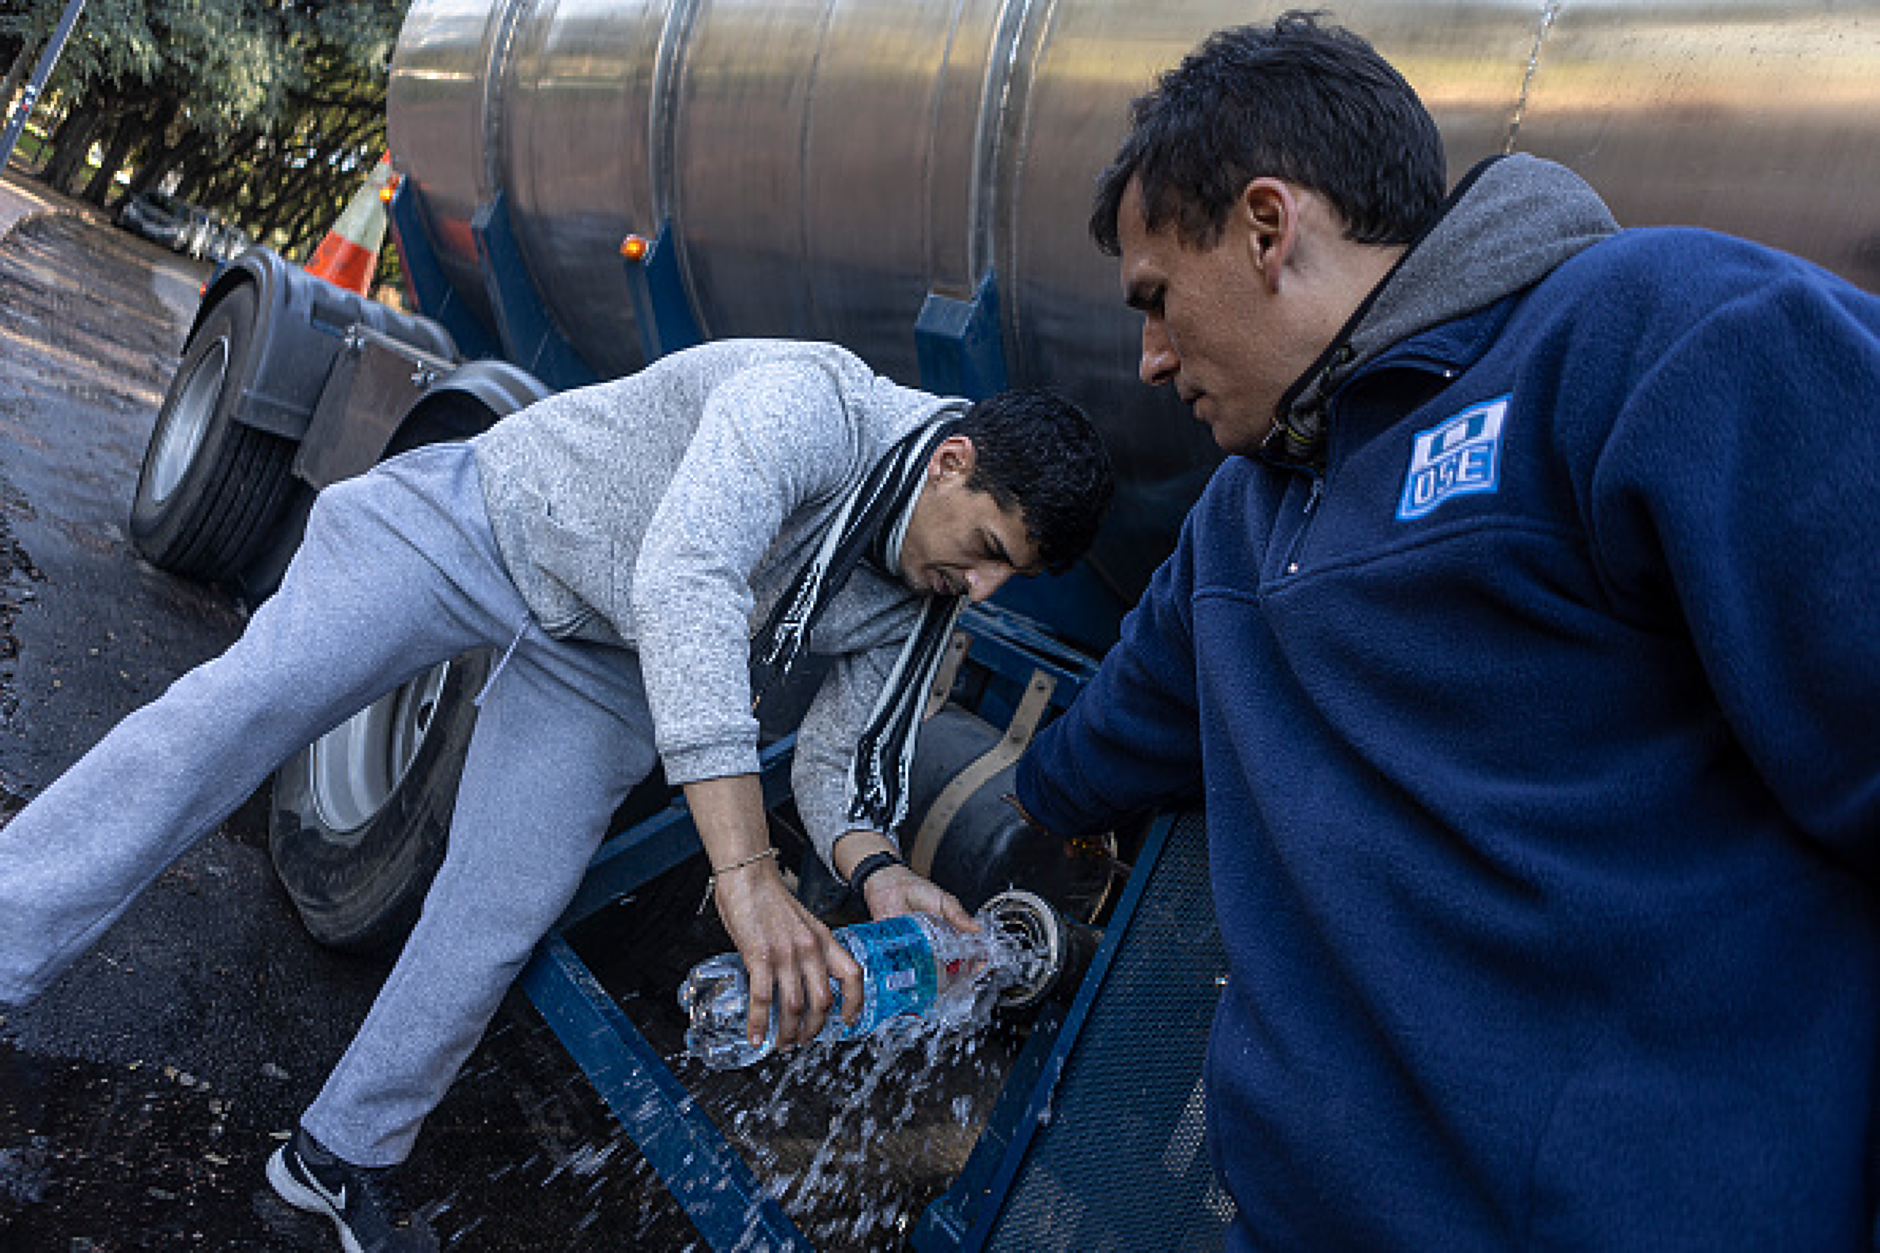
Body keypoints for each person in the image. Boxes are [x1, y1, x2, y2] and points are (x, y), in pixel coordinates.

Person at [1013, 13, 1880, 1250]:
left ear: (1268, 227)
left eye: (1157, 300)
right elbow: (1103, 740)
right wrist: (979, 813)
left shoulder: (1647, 337)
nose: (1147, 359)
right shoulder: (1238, 521)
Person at [0, 337, 1113, 1253]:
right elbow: (686, 577)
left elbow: (832, 761)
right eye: (985, 549)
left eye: (1007, 575)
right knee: (230, 717)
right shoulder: (811, 404)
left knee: (502, 904)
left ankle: (335, 1155)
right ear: (947, 459)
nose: (980, 586)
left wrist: (881, 874)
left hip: (610, 660)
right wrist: (745, 869)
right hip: (495, 519)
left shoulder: (912, 593)